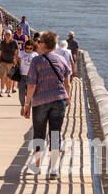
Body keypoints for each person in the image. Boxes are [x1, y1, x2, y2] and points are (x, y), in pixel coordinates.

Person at [23, 31, 72, 180]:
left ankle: (37, 166)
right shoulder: (61, 59)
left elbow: (31, 85)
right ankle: (54, 169)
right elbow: (67, 83)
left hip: (40, 101)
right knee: (55, 134)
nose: (37, 44)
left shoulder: (36, 61)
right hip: (59, 100)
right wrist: (68, 98)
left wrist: (26, 105)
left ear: (43, 44)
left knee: (39, 133)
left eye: (39, 42)